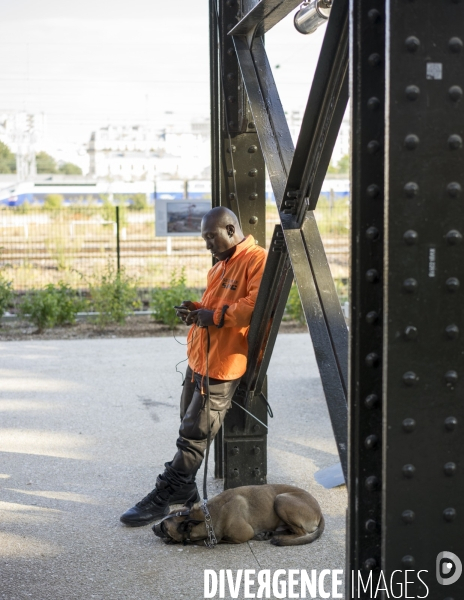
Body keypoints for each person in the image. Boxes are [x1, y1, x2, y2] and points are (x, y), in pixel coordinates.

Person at [120, 206, 267, 526]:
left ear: (230, 230)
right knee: (188, 425)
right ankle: (185, 488)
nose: (207, 245)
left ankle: (170, 491)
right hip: (201, 358)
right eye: (204, 239)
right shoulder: (220, 266)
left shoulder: (257, 259)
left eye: (210, 237)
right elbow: (218, 307)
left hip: (223, 363)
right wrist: (198, 309)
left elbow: (253, 307)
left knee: (195, 434)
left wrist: (213, 317)